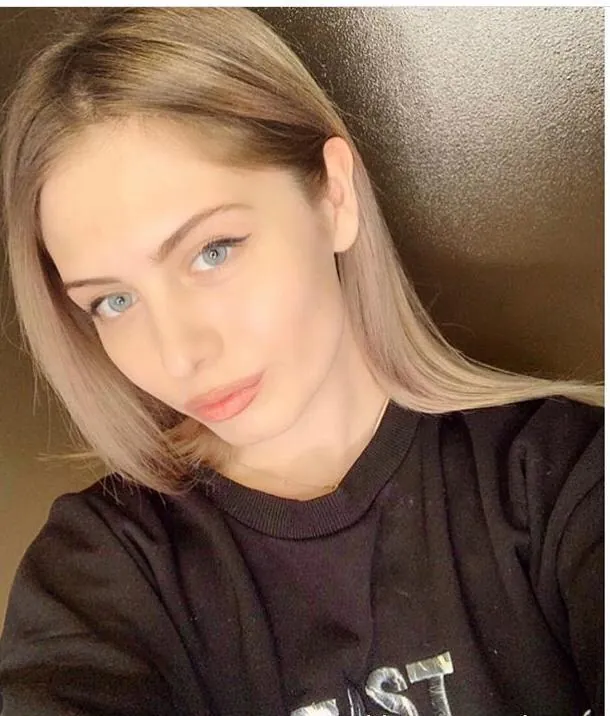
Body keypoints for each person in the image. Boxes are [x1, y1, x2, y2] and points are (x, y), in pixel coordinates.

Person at [0, 8, 603, 716]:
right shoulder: (103, 568)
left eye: (212, 252)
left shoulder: (559, 478)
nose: (180, 354)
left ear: (333, 197)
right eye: (114, 301)